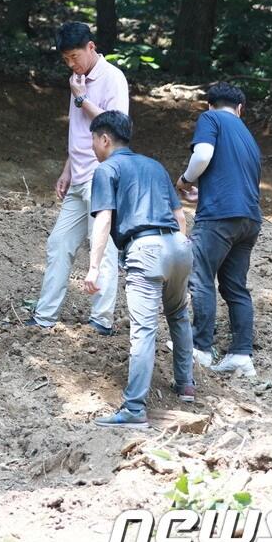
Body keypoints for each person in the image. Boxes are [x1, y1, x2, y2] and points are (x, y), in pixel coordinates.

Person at [80, 110, 194, 428]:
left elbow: (103, 219)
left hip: (145, 249)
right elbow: (181, 217)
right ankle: (186, 385)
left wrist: (93, 268)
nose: (91, 146)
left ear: (105, 139)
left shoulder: (107, 170)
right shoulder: (155, 166)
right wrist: (176, 252)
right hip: (179, 245)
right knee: (179, 315)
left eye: (92, 139)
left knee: (143, 330)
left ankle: (133, 409)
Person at [28, 22, 130, 335]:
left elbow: (117, 128)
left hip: (103, 176)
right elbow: (80, 130)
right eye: (66, 60)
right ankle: (44, 316)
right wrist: (67, 168)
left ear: (91, 47)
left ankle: (101, 321)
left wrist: (82, 98)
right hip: (79, 176)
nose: (72, 64)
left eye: (75, 56)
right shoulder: (77, 79)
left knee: (104, 249)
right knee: (59, 243)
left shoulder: (112, 78)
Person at [176, 82, 262, 378]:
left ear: (210, 105)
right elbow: (234, 177)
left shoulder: (210, 119)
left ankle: (200, 349)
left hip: (219, 217)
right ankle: (241, 354)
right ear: (240, 109)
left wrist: (186, 180)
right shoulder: (248, 136)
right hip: (249, 219)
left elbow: (202, 156)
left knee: (200, 276)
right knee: (235, 286)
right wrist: (205, 191)